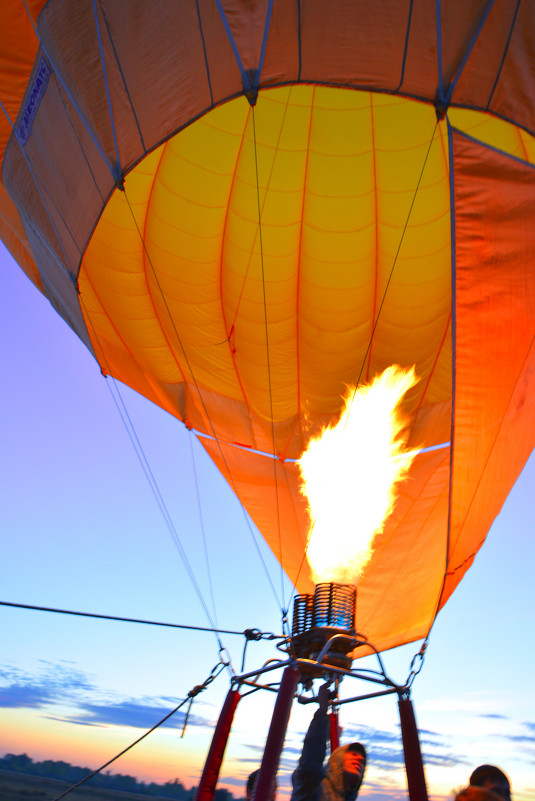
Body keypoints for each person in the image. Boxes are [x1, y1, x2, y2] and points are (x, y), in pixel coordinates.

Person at [291, 683, 366, 801]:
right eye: (354, 754)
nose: (360, 760)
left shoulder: (346, 797)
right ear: (339, 760)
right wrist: (322, 712)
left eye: (363, 762)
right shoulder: (313, 787)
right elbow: (310, 765)